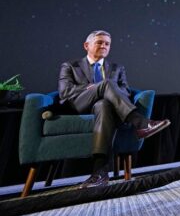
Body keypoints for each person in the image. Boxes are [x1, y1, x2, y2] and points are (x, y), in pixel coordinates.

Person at [58, 30, 171, 187]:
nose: (104, 46)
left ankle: (99, 173)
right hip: (79, 104)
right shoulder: (71, 66)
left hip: (105, 108)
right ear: (86, 45)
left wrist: (107, 92)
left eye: (107, 43)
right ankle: (141, 123)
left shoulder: (117, 68)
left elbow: (125, 91)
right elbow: (65, 92)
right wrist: (94, 88)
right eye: (99, 42)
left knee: (104, 105)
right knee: (107, 84)